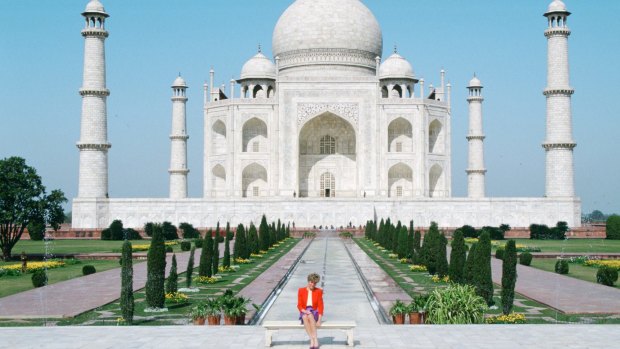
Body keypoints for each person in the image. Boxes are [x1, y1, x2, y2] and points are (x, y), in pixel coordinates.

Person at [297, 272, 324, 349]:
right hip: (304, 311)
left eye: (315, 283)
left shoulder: (318, 291)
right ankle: (312, 339)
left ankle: (315, 339)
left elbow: (321, 306)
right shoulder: (301, 290)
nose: (313, 284)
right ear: (308, 281)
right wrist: (304, 311)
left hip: (314, 312)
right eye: (311, 282)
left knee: (310, 315)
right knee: (305, 316)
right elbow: (299, 305)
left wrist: (319, 320)